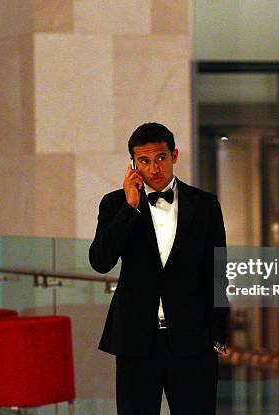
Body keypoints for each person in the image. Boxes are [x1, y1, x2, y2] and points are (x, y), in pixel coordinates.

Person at [89, 122, 229, 414]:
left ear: (174, 155)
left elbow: (217, 272)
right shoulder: (115, 204)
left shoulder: (204, 205)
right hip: (136, 340)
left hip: (193, 342)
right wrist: (130, 207)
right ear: (133, 163)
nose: (153, 167)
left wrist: (217, 333)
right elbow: (100, 261)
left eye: (160, 157)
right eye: (144, 160)